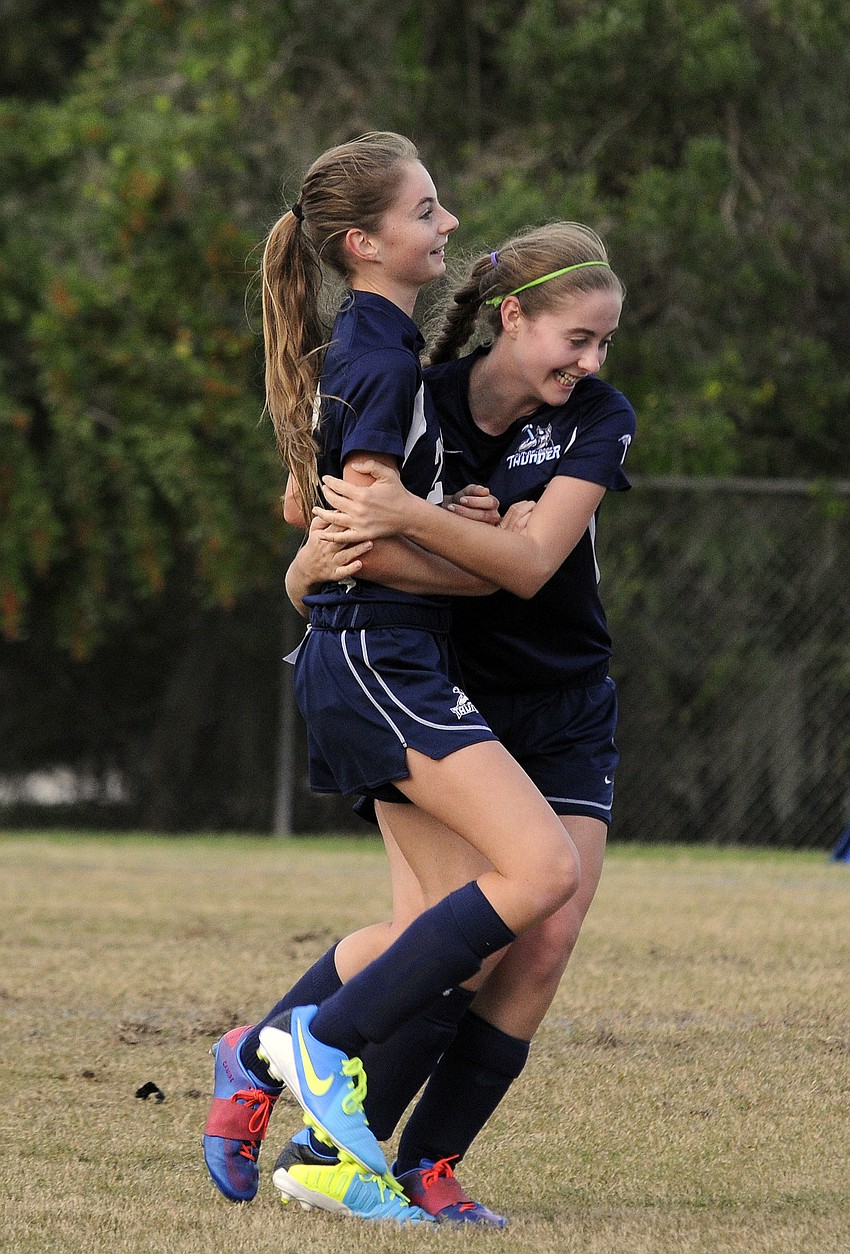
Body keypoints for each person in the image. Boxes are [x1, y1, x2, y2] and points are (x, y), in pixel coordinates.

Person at [202, 134, 581, 1223]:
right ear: (365, 243)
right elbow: (357, 536)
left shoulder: (372, 348)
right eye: (426, 210)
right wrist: (484, 563)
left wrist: (440, 521)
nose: (448, 223)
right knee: (540, 870)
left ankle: (258, 1059)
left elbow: (314, 514)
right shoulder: (375, 356)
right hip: (380, 655)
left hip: (367, 653)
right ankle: (316, 1042)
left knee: (438, 929)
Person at [269, 220, 635, 1224]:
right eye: (575, 338)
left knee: (546, 935)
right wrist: (318, 557)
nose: (590, 361)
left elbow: (527, 567)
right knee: (455, 939)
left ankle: (425, 1162)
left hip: (562, 705)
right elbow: (311, 517)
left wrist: (405, 516)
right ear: (511, 317)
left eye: (604, 343)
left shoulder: (597, 418)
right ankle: (320, 1128)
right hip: (441, 692)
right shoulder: (414, 397)